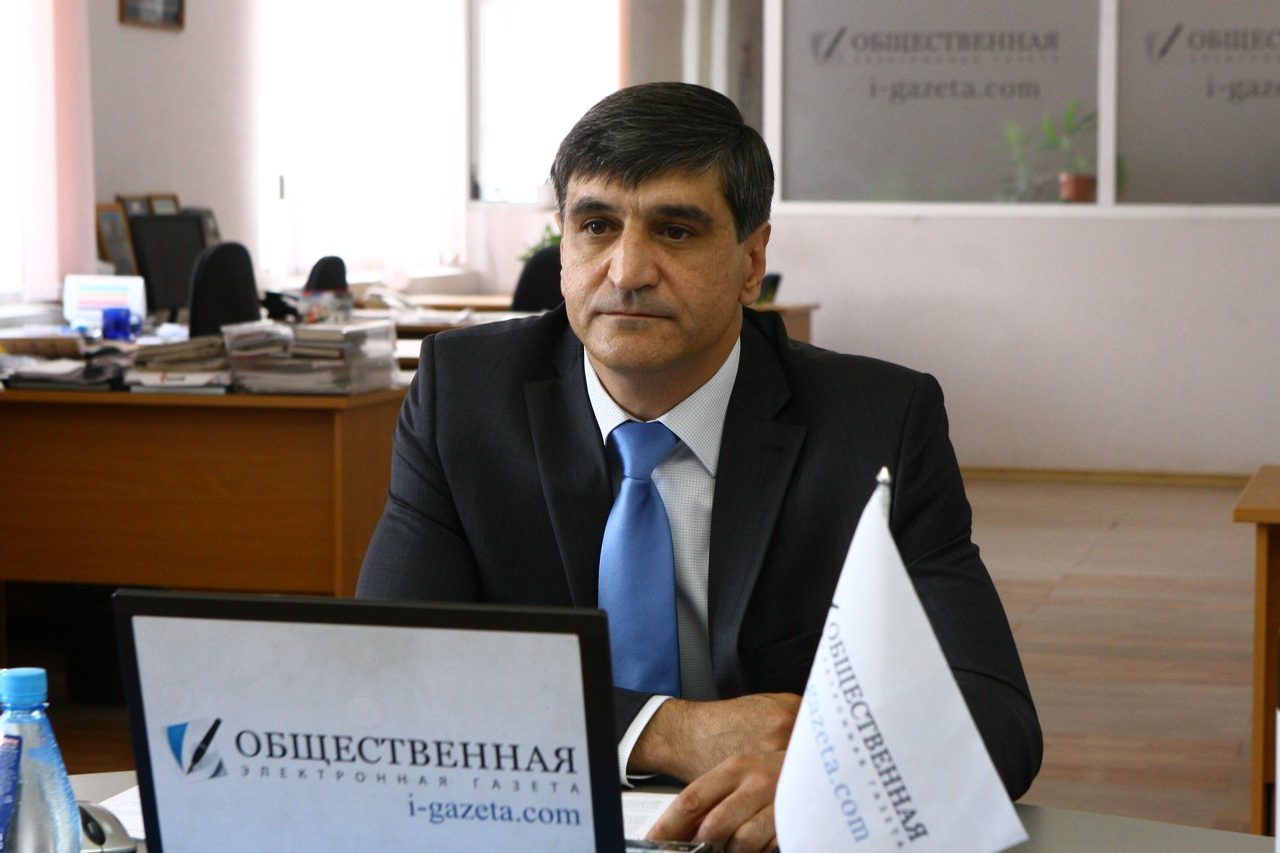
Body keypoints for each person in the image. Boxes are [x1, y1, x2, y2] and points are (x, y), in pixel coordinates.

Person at [357, 81, 1042, 852]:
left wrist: (828, 773)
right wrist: (664, 730)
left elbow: (998, 715)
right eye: (595, 226)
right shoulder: (462, 397)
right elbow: (387, 674)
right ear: (563, 244)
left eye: (676, 230)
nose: (627, 270)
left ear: (752, 261)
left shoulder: (878, 422)